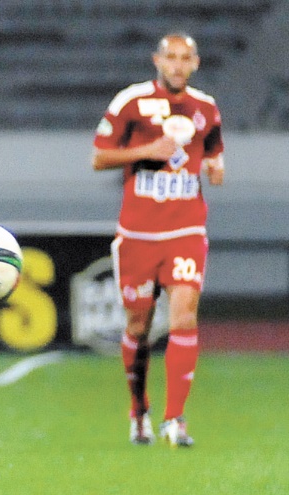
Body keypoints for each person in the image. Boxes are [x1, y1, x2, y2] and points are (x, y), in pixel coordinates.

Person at [92, 32, 225, 447]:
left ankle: (175, 419)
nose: (178, 65)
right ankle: (139, 411)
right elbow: (99, 157)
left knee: (184, 317)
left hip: (186, 230)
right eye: (171, 57)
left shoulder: (206, 108)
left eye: (186, 58)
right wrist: (148, 150)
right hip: (138, 234)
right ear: (157, 60)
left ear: (196, 63)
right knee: (139, 326)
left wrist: (216, 169)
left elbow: (215, 156)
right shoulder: (131, 102)